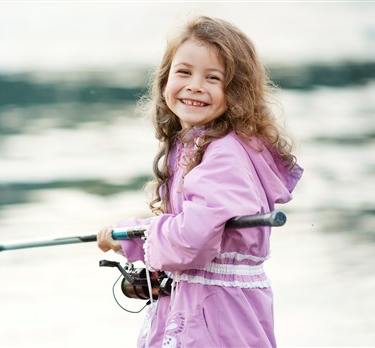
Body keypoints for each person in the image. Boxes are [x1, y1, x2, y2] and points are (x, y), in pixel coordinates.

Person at [97, 16, 303, 348]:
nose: (195, 85)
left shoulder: (224, 155)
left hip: (218, 321)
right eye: (184, 72)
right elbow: (194, 227)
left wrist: (133, 234)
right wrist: (134, 245)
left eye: (212, 78)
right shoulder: (197, 145)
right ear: (165, 80)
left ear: (235, 92)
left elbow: (193, 241)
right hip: (200, 309)